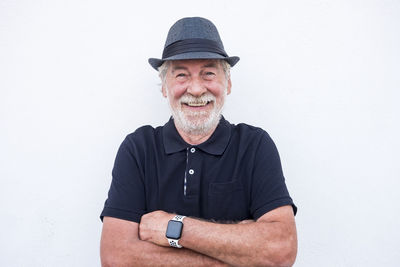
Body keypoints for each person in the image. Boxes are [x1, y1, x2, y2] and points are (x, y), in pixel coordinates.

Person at [100, 17, 297, 267]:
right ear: (164, 87)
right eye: (181, 75)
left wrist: (174, 228)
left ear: (228, 84)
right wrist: (238, 250)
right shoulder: (138, 149)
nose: (195, 89)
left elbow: (280, 251)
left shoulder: (254, 145)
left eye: (208, 74)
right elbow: (116, 258)